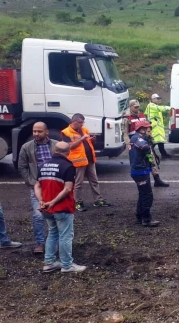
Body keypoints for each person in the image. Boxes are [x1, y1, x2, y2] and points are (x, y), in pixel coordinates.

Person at [33, 142, 86, 273]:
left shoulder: (43, 165)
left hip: (46, 208)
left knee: (52, 233)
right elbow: (68, 189)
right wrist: (53, 202)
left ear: (54, 151)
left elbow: (37, 185)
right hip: (62, 208)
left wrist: (41, 201)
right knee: (65, 236)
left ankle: (49, 263)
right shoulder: (67, 166)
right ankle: (67, 265)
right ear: (68, 153)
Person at [18, 122, 56, 254]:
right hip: (37, 186)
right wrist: (31, 182)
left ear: (47, 132)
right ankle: (40, 243)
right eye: (34, 131)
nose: (36, 134)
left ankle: (55, 242)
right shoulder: (26, 147)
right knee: (38, 215)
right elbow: (22, 166)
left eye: (39, 131)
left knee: (56, 214)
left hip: (54, 185)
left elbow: (65, 162)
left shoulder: (56, 145)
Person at [61, 113, 112, 211]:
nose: (82, 124)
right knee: (78, 183)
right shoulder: (66, 132)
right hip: (79, 162)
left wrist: (93, 140)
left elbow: (90, 143)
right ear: (74, 122)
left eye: (83, 122)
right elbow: (69, 146)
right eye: (80, 122)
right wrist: (82, 138)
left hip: (90, 159)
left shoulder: (84, 130)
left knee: (94, 181)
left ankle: (98, 200)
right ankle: (77, 202)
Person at [122, 100, 169, 187]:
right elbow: (125, 133)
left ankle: (156, 179)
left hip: (145, 143)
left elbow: (147, 128)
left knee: (152, 160)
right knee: (139, 163)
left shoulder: (142, 115)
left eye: (138, 106)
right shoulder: (126, 118)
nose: (137, 108)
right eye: (135, 107)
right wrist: (129, 144)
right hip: (135, 145)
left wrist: (151, 139)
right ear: (131, 106)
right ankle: (141, 181)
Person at [129, 121, 161, 227]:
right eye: (148, 130)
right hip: (140, 171)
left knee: (142, 194)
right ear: (142, 130)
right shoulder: (138, 139)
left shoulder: (134, 138)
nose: (150, 132)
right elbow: (145, 148)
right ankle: (146, 219)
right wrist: (149, 145)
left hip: (139, 170)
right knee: (147, 195)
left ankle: (139, 216)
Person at [144, 93, 173, 159]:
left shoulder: (150, 106)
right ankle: (148, 153)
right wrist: (170, 108)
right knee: (153, 141)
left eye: (159, 99)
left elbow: (146, 113)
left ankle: (163, 153)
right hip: (155, 127)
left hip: (157, 126)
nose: (158, 100)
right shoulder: (152, 106)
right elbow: (160, 108)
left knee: (160, 141)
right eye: (157, 99)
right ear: (153, 99)